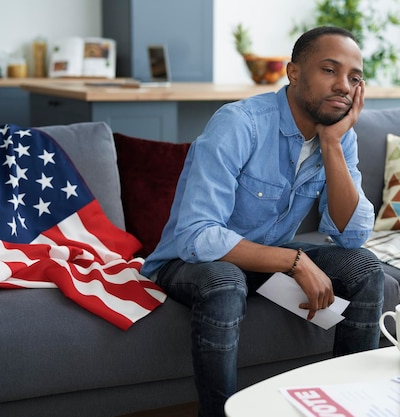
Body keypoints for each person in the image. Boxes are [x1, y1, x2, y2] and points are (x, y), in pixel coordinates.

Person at [141, 26, 385, 417]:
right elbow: (197, 235)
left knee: (368, 269)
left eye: (354, 78)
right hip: (186, 262)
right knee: (225, 279)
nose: (344, 85)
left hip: (263, 257)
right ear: (293, 72)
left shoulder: (339, 135)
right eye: (329, 70)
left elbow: (351, 236)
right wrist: (293, 262)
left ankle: (348, 406)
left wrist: (333, 144)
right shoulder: (240, 123)